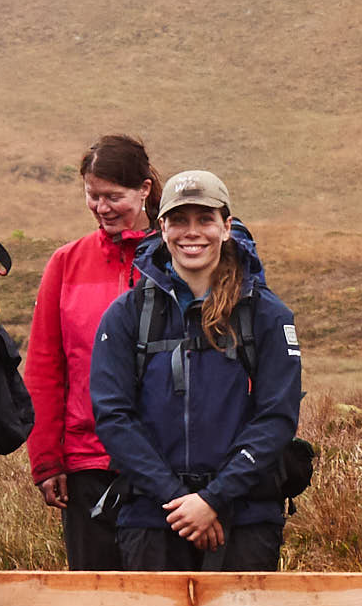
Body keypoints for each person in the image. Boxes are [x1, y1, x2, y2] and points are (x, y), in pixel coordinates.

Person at [89, 170, 303, 573]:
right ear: (162, 228)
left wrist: (214, 499)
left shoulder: (268, 316)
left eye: (204, 220)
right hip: (153, 517)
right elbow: (114, 417)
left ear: (225, 227)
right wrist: (179, 501)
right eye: (179, 220)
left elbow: (277, 418)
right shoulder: (127, 316)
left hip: (245, 518)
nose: (193, 233)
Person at [26, 134, 162, 570]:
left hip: (166, 460)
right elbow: (46, 366)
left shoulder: (177, 259)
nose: (102, 208)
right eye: (92, 195)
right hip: (87, 462)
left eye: (113, 196)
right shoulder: (65, 264)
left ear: (144, 189)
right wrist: (46, 459)